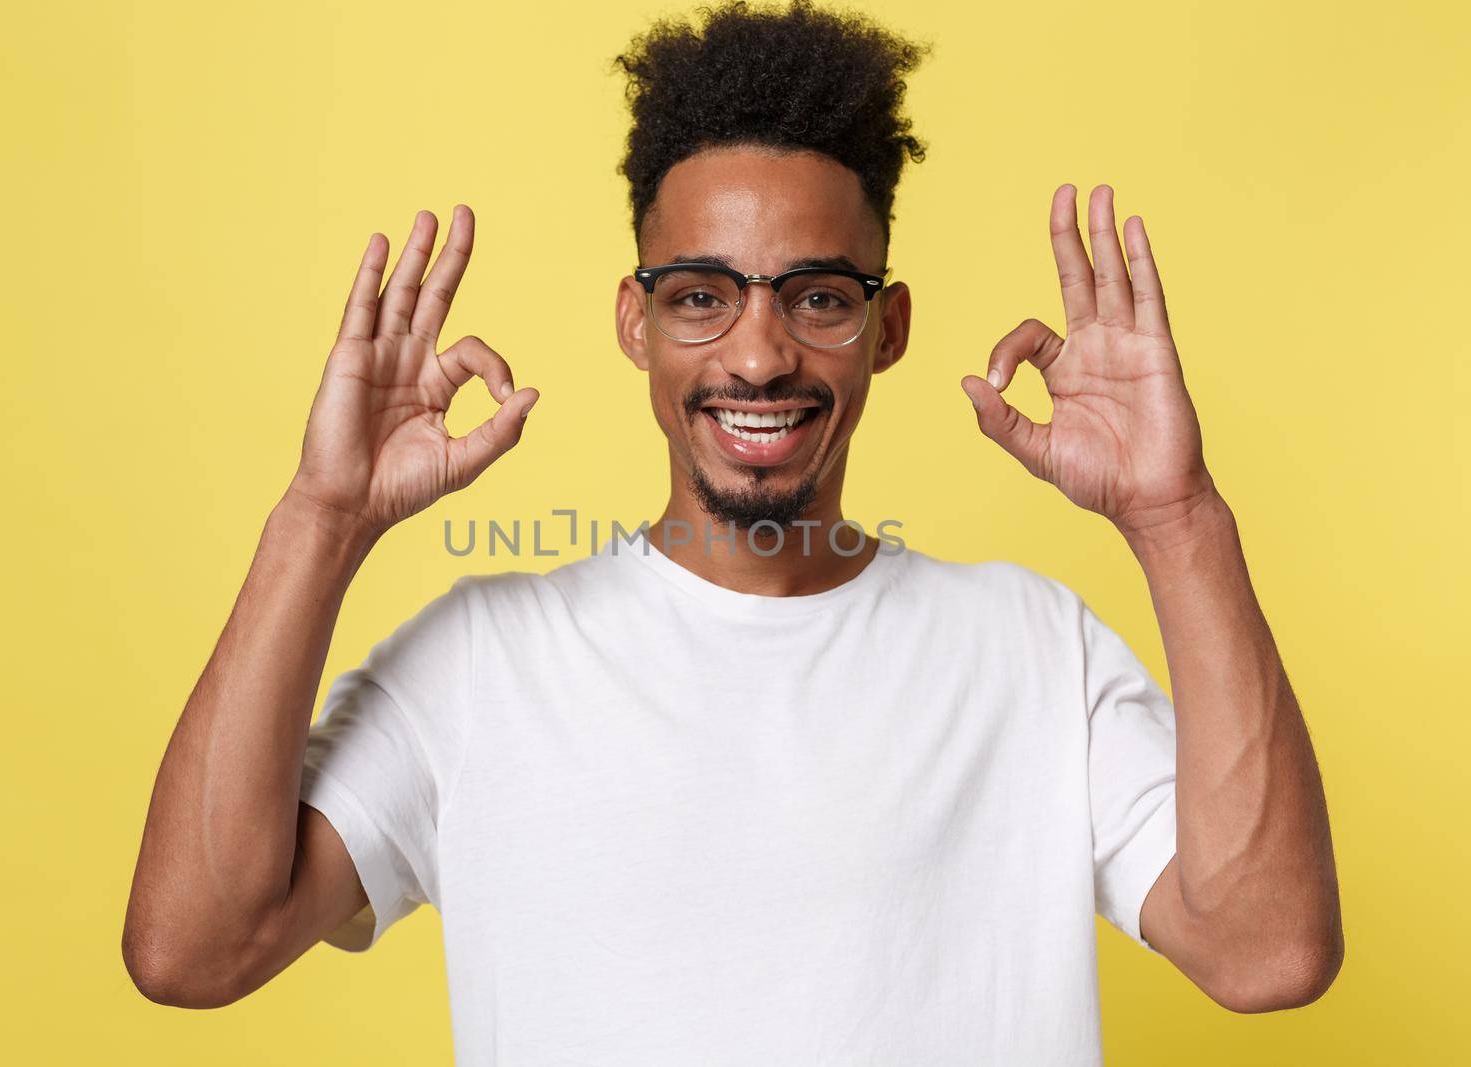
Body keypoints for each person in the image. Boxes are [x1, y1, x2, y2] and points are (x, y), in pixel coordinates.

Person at [122, 0, 1342, 1061]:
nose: (758, 354)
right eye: (700, 296)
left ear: (889, 325)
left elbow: (1267, 950)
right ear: (633, 322)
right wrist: (321, 516)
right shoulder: (481, 662)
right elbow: (193, 947)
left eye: (818, 296)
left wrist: (1179, 520)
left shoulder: (1032, 649)